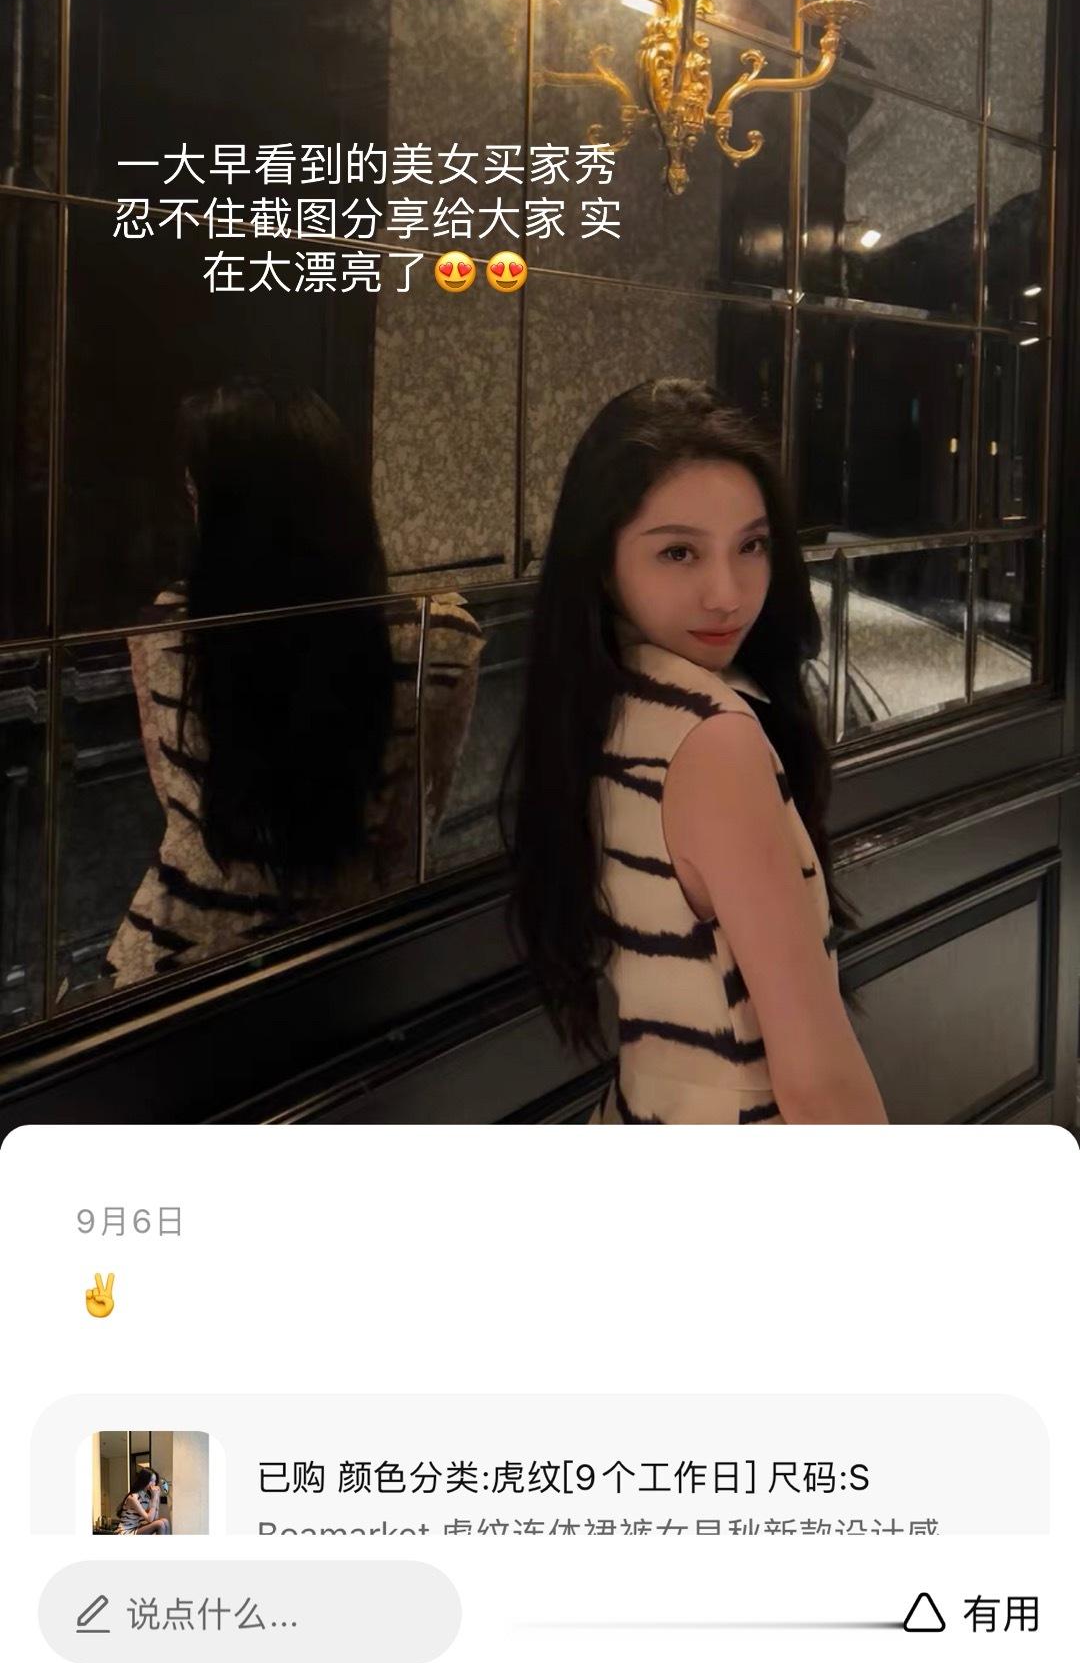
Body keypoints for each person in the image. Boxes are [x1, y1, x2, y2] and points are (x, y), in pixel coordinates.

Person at [503, 378, 888, 1125]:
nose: (727, 593)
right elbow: (819, 1084)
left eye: (751, 546)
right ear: (602, 559)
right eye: (678, 552)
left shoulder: (598, 699)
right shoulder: (711, 741)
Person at [105, 379, 482, 989]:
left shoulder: (170, 627)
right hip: (345, 948)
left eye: (198, 493)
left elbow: (181, 804)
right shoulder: (437, 631)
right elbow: (412, 829)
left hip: (178, 956)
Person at [116, 1470, 171, 1534]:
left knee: (165, 1521)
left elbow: (154, 1518)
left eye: (155, 1481)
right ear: (144, 1480)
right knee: (160, 1524)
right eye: (151, 1480)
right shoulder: (133, 1498)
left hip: (137, 1528)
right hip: (126, 1531)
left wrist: (157, 1498)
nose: (154, 1484)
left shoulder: (146, 1497)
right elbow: (149, 1519)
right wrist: (154, 1497)